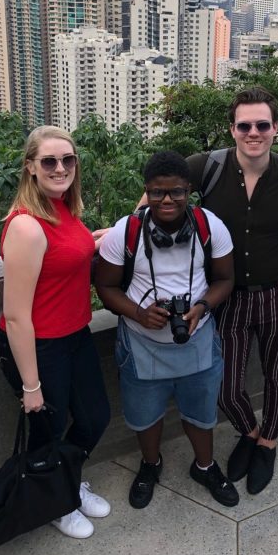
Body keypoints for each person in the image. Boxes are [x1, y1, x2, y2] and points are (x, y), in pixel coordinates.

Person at [95, 151, 238, 509]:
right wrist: (140, 315)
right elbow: (106, 288)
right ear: (147, 191)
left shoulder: (210, 226)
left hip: (198, 336)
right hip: (141, 342)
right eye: (158, 192)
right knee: (145, 415)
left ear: (188, 190)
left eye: (176, 192)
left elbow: (225, 278)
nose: (168, 200)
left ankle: (204, 466)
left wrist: (201, 307)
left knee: (202, 411)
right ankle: (150, 464)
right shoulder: (124, 232)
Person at [187, 87, 278, 495]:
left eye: (262, 125)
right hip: (227, 295)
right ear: (232, 129)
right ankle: (249, 430)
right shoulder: (208, 167)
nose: (253, 132)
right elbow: (160, 189)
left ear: (276, 129)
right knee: (226, 383)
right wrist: (124, 230)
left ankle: (268, 442)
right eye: (245, 125)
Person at [0, 125, 111, 540]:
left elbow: (68, 253)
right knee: (49, 429)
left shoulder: (63, 208)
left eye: (68, 160)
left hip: (75, 336)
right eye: (49, 161)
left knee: (96, 417)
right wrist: (31, 385)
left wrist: (100, 240)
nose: (60, 167)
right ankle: (56, 503)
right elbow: (15, 316)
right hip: (39, 346)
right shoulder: (26, 226)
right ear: (30, 167)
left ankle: (68, 481)